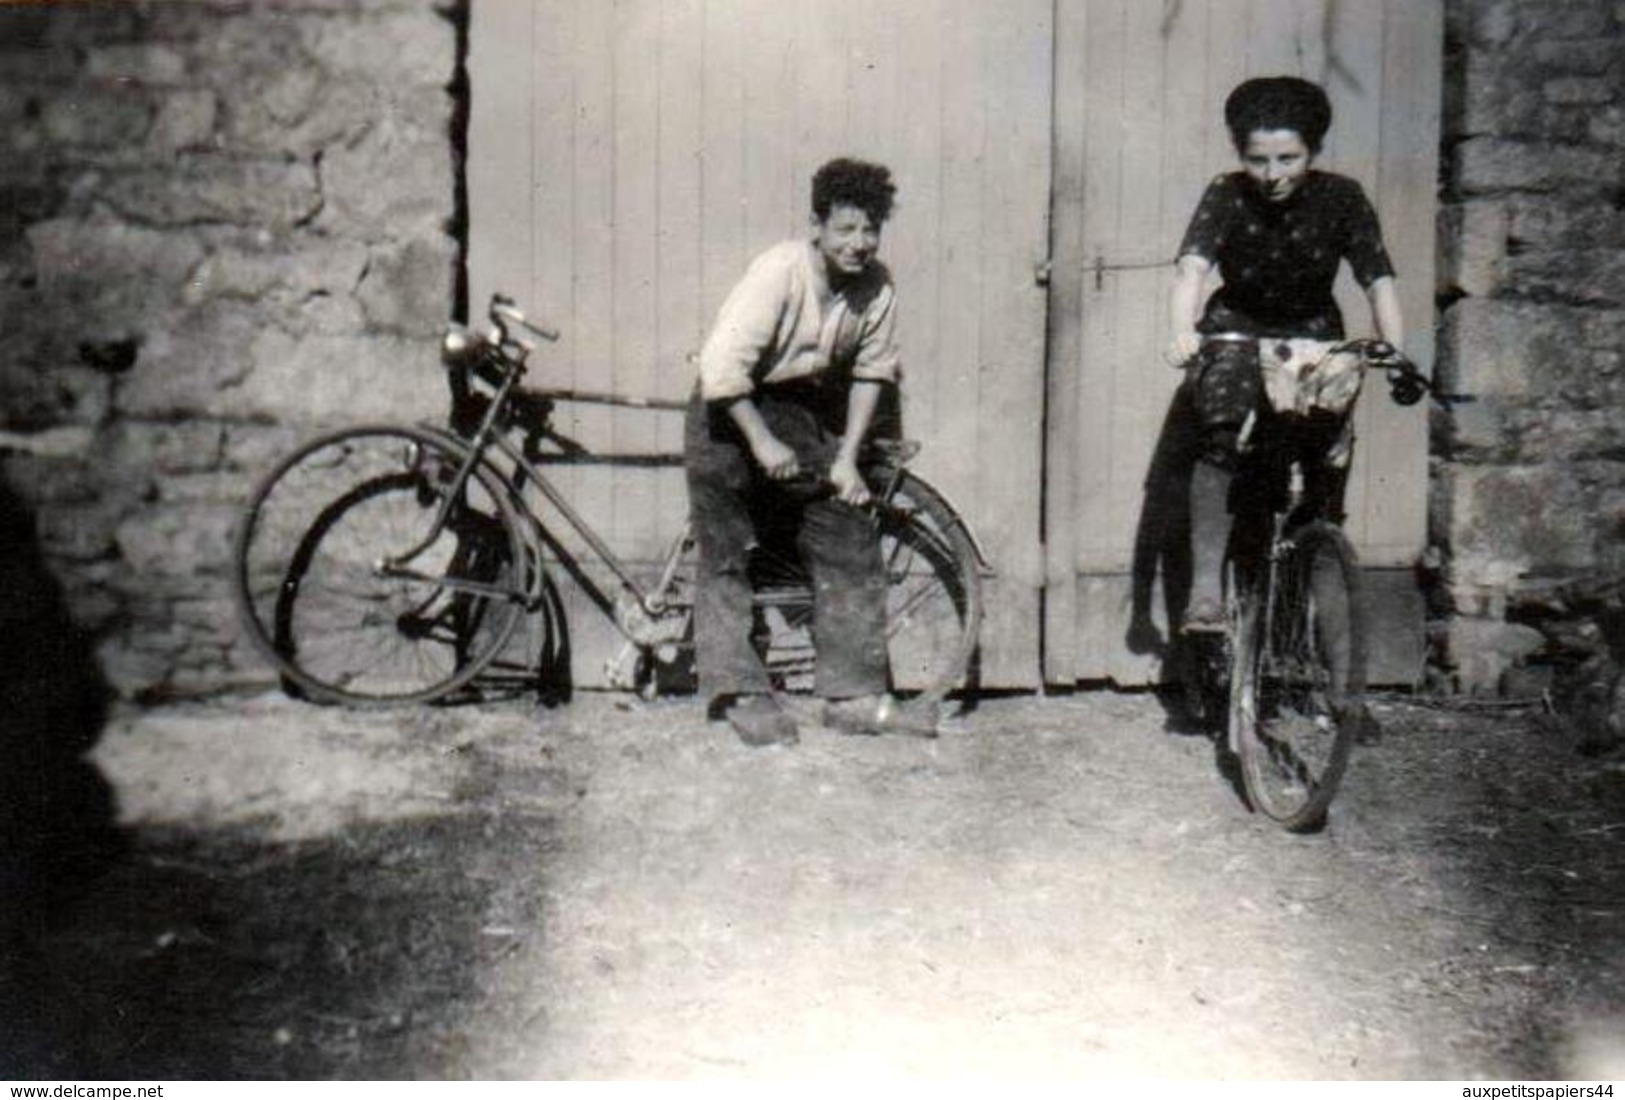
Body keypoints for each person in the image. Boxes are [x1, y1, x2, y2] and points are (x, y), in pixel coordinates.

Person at [685, 157, 936, 746]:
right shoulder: (779, 273)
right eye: (845, 229)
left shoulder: (877, 288)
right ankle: (740, 692)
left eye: (870, 229)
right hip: (728, 411)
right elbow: (721, 369)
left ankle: (853, 697)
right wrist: (761, 441)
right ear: (816, 227)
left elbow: (873, 372)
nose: (859, 243)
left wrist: (846, 458)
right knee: (727, 542)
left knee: (847, 526)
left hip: (796, 413)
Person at [1164, 76, 1404, 631]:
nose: (1273, 175)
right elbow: (1192, 269)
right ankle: (1205, 593)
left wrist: (1393, 347)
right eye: (1258, 159)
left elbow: (1378, 278)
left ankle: (1337, 662)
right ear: (1240, 154)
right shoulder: (1226, 193)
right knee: (1221, 432)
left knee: (1324, 461)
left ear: (1313, 152)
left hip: (1315, 333)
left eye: (1288, 158)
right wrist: (1181, 329)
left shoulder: (1342, 198)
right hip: (1237, 331)